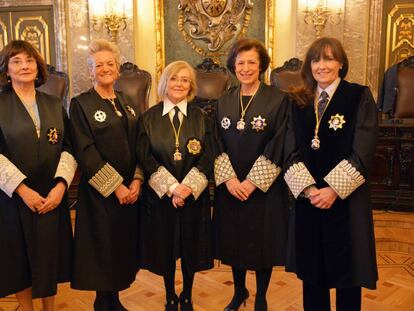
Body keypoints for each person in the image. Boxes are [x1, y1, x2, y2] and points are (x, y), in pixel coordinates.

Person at [284, 37, 378, 311]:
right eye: (316, 60)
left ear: (341, 63)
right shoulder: (298, 101)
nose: (322, 65)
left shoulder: (358, 96)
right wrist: (311, 191)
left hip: (346, 202)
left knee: (348, 274)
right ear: (309, 66)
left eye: (328, 59)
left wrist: (333, 190)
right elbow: (289, 151)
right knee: (312, 274)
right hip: (309, 201)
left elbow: (363, 152)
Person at [213, 38, 290, 311]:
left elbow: (279, 142)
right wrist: (231, 180)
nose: (245, 68)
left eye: (251, 63)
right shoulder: (223, 102)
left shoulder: (279, 100)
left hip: (263, 188)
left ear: (262, 66)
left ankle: (261, 297)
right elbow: (216, 143)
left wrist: (253, 182)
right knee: (233, 242)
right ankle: (238, 293)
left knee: (262, 244)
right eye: (240, 62)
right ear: (234, 66)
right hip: (231, 186)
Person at [0, 40, 76, 311]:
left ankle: (49, 308)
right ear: (6, 70)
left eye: (29, 60)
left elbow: (69, 147)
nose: (24, 66)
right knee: (18, 258)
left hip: (51, 195)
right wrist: (21, 189)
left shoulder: (54, 103)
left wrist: (60, 186)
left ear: (38, 66)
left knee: (49, 253)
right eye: (17, 61)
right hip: (13, 197)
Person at [70, 39, 142, 311]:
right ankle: (102, 302)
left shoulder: (128, 102)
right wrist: (116, 187)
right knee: (103, 248)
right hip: (102, 194)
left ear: (117, 68)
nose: (104, 68)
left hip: (130, 192)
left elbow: (140, 144)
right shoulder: (81, 105)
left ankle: (115, 299)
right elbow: (85, 150)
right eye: (98, 65)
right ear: (90, 72)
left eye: (109, 63)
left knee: (121, 247)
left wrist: (136, 180)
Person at [137, 60, 215, 311]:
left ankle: (188, 294)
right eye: (174, 78)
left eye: (184, 80)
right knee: (165, 246)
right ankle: (170, 294)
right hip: (161, 197)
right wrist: (171, 188)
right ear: (164, 83)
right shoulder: (148, 119)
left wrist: (187, 188)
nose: (179, 84)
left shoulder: (202, 118)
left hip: (194, 196)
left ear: (191, 86)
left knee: (191, 245)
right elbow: (144, 157)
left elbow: (209, 155)